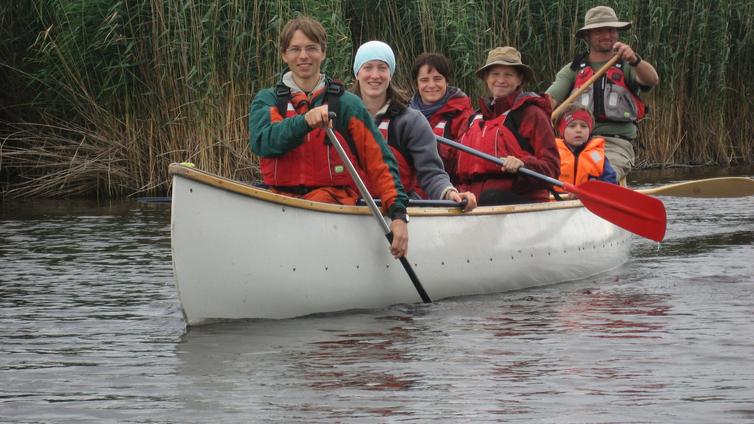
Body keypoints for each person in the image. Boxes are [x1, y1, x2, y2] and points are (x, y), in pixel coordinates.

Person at [248, 17, 410, 258]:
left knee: (325, 196)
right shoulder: (269, 100)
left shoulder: (346, 104)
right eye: (295, 49)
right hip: (279, 201)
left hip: (332, 204)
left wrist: (398, 216)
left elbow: (380, 164)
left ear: (323, 53)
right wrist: (304, 122)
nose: (304, 56)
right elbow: (263, 141)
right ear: (284, 55)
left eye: (311, 48)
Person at [350, 41, 476, 210]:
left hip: (400, 208)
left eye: (382, 68)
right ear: (357, 73)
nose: (375, 75)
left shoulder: (411, 121)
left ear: (390, 74)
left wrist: (449, 193)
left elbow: (431, 174)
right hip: (352, 207)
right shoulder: (339, 116)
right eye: (368, 68)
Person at [546, 5, 660, 181]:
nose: (607, 35)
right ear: (587, 36)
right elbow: (548, 101)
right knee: (545, 175)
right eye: (599, 31)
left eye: (611, 30)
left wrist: (635, 59)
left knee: (599, 174)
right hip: (574, 144)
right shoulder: (573, 70)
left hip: (615, 145)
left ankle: (599, 190)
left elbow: (652, 80)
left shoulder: (628, 65)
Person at [455, 46, 560, 205]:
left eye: (508, 75)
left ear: (519, 80)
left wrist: (524, 164)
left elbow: (552, 168)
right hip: (474, 204)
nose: (501, 80)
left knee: (491, 198)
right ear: (486, 78)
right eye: (495, 74)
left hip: (520, 202)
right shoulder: (474, 118)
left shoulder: (532, 114)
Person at [408, 53, 473, 177]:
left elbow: (461, 162)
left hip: (444, 188)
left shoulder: (463, 116)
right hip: (408, 190)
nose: (431, 85)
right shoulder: (402, 115)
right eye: (424, 80)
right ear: (416, 84)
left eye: (437, 79)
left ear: (447, 81)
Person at [555, 104, 618, 198]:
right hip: (556, 205)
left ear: (590, 130)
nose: (578, 130)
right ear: (562, 130)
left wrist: (589, 192)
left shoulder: (598, 157)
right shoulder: (552, 154)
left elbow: (611, 182)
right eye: (572, 126)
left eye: (584, 126)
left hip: (588, 204)